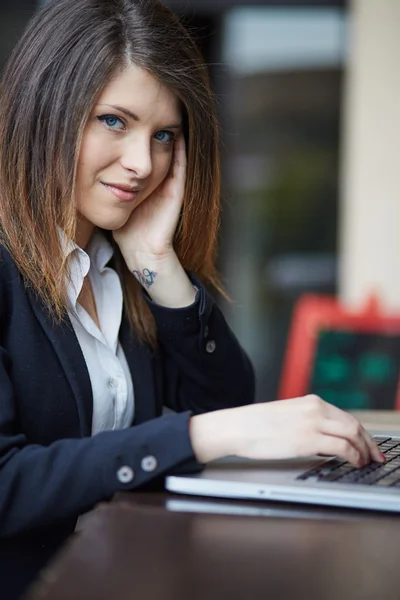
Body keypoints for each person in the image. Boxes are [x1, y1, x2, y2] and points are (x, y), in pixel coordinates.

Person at [0, 0, 384, 597]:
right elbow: (7, 484)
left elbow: (224, 398)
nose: (141, 164)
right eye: (113, 121)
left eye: (163, 136)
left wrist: (157, 265)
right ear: (46, 109)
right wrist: (206, 435)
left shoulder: (121, 270)